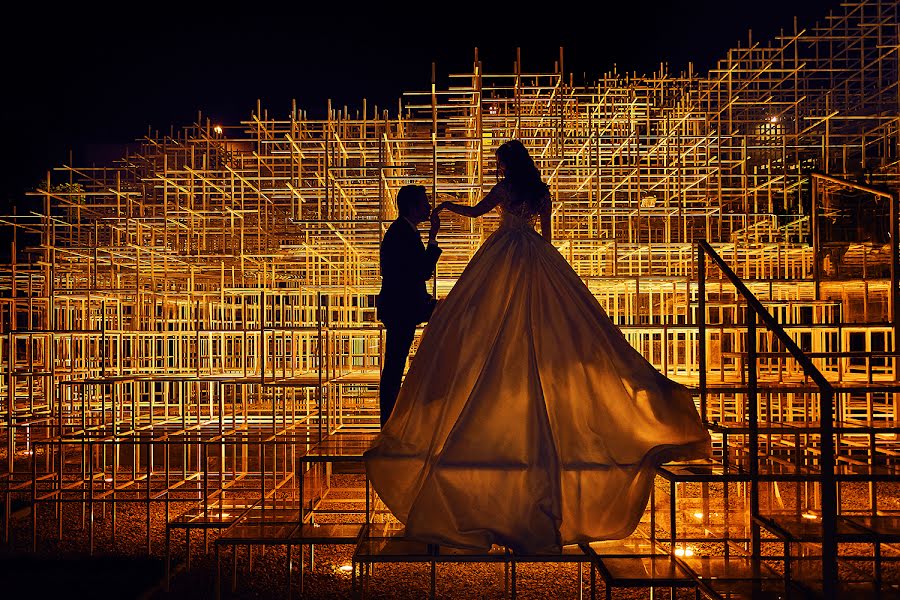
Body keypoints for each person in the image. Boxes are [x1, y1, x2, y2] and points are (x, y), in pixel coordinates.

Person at [365, 140, 711, 554]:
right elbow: (548, 238)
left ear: (508, 165)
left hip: (501, 256)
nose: (497, 167)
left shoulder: (505, 190)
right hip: (532, 256)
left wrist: (449, 207)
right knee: (541, 325)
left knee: (488, 321)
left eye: (499, 162)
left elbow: (477, 213)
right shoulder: (539, 193)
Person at [376, 184, 442, 427]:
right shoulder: (402, 233)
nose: (428, 207)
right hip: (402, 308)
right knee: (395, 364)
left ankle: (391, 419)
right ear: (413, 207)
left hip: (403, 306)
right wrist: (433, 238)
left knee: (395, 362)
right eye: (425, 203)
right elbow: (422, 271)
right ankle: (389, 421)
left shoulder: (403, 230)